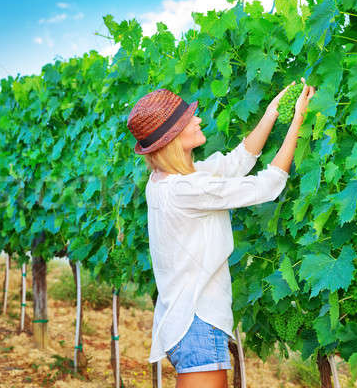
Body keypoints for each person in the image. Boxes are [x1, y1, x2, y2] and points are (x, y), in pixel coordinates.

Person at [126, 79, 315, 388]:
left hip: (186, 323)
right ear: (174, 138)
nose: (198, 118)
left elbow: (235, 162)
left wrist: (271, 112)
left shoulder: (165, 181)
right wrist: (297, 121)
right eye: (189, 119)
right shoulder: (185, 189)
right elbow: (267, 185)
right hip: (198, 322)